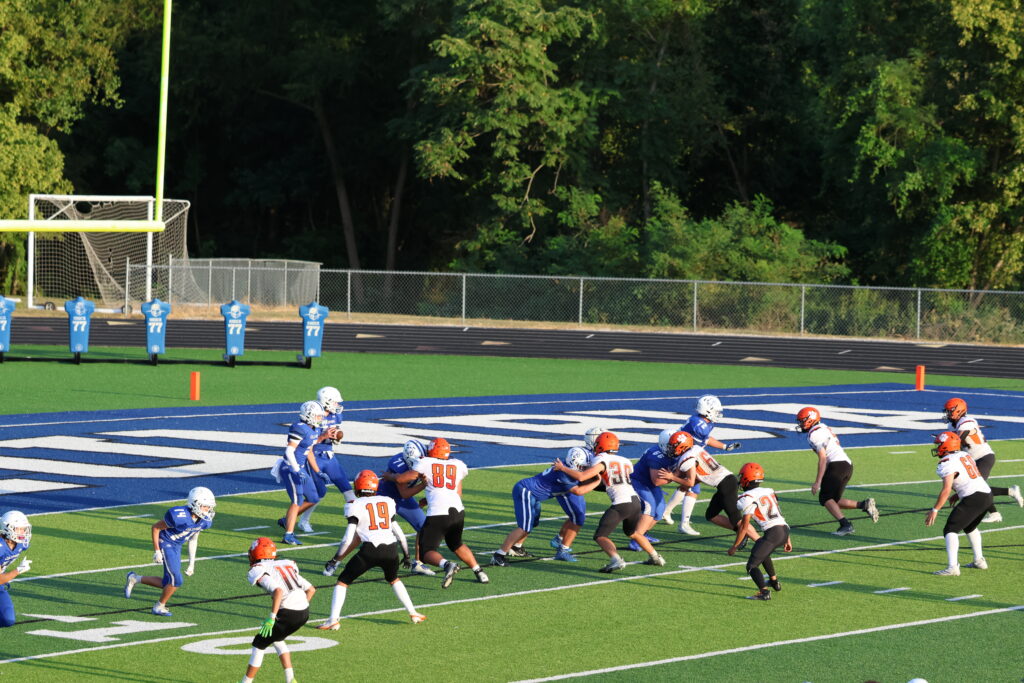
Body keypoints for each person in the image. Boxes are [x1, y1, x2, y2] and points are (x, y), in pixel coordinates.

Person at [318, 470, 426, 629]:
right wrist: (407, 555)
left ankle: (333, 620)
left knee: (342, 582)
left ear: (357, 486)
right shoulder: (387, 501)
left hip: (370, 551)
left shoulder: (354, 505)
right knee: (394, 579)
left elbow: (348, 539)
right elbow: (400, 534)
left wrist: (335, 559)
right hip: (391, 550)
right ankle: (413, 612)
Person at [555, 431, 665, 572]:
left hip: (621, 504)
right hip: (635, 502)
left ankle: (616, 560)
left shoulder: (601, 460)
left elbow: (582, 477)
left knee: (600, 536)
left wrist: (563, 468)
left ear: (600, 446)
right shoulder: (625, 460)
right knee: (633, 533)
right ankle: (656, 557)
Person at [394, 437, 490, 587]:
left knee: (426, 552)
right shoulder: (458, 464)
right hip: (458, 511)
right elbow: (457, 492)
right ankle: (479, 571)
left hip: (438, 513)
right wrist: (429, 498)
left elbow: (401, 480)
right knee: (456, 544)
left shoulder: (425, 462)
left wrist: (390, 476)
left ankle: (447, 565)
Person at [491, 449, 600, 566]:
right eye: (583, 466)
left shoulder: (566, 468)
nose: (585, 469)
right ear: (575, 463)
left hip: (533, 495)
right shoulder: (564, 474)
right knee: (524, 527)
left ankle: (517, 547)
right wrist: (597, 481)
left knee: (532, 523)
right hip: (526, 492)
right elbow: (578, 491)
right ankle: (499, 555)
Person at [125, 486, 215, 616]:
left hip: (177, 545)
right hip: (166, 542)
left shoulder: (204, 521)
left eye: (209, 506)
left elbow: (193, 539)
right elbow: (156, 528)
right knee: (176, 581)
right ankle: (159, 606)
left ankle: (134, 578)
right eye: (205, 506)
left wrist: (192, 563)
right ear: (194, 504)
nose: (208, 509)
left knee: (167, 583)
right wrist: (157, 550)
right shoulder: (180, 516)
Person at [662, 395, 741, 535]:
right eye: (715, 411)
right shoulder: (699, 425)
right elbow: (699, 443)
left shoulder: (703, 422)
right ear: (707, 410)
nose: (718, 413)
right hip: (684, 456)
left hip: (688, 455)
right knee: (692, 487)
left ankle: (667, 512)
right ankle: (684, 523)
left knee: (687, 486)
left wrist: (724, 447)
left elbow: (706, 439)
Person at [242, 537, 315, 683]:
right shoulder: (286, 564)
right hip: (304, 612)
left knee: (259, 643)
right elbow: (311, 589)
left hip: (288, 612)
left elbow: (278, 591)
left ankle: (246, 682)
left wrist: (272, 617)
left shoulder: (257, 570)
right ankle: (290, 679)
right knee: (277, 638)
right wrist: (299, 606)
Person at [796, 406, 879, 535]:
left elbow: (823, 458)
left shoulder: (814, 434)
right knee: (833, 500)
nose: (800, 424)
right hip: (847, 465)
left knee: (825, 498)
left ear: (810, 419)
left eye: (802, 421)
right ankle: (864, 505)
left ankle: (845, 525)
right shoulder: (823, 427)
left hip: (837, 465)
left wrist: (817, 482)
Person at [662, 440, 760, 547]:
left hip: (726, 485)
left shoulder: (687, 458)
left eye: (674, 445)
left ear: (682, 446)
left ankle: (760, 542)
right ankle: (741, 532)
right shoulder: (696, 449)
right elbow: (700, 474)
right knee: (711, 515)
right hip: (725, 483)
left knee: (736, 519)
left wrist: (672, 477)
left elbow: (690, 483)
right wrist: (684, 483)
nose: (672, 448)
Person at [943, 398, 1023, 523]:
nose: (947, 414)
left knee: (978, 488)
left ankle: (996, 512)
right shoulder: (952, 425)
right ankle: (1009, 494)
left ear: (958, 411)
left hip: (983, 457)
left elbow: (957, 441)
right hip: (971, 460)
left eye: (950, 411)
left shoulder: (967, 422)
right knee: (964, 485)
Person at [926, 432, 993, 576]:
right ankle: (979, 561)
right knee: (970, 526)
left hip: (974, 497)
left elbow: (946, 490)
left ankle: (953, 567)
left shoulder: (946, 462)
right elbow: (969, 477)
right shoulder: (964, 455)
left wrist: (935, 510)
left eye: (939, 445)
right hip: (986, 495)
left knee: (950, 529)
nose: (937, 448)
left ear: (946, 446)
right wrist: (958, 494)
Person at [729, 463, 792, 601]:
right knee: (761, 550)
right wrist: (787, 538)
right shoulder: (769, 490)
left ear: (746, 479)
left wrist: (735, 546)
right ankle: (774, 582)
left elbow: (744, 526)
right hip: (784, 529)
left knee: (751, 566)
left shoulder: (747, 497)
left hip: (773, 533)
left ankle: (764, 592)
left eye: (742, 476)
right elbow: (779, 515)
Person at [297, 386, 354, 533]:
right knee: (318, 493)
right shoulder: (314, 414)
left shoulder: (336, 415)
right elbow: (306, 442)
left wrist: (336, 437)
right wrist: (323, 436)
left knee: (348, 490)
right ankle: (303, 520)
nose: (338, 405)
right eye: (335, 402)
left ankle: (358, 523)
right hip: (314, 457)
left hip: (329, 457)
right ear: (327, 401)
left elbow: (335, 433)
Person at [273, 400, 332, 545]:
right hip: (290, 468)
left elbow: (308, 451)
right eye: (317, 416)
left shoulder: (313, 429)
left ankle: (287, 520)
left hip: (300, 468)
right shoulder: (299, 428)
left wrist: (318, 471)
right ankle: (288, 535)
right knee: (297, 500)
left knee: (314, 497)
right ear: (309, 415)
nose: (320, 418)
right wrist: (297, 470)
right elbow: (289, 451)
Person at [378, 439, 436, 576]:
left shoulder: (423, 460)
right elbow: (404, 493)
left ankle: (418, 563)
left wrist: (427, 498)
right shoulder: (398, 464)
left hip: (403, 499)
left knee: (424, 527)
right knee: (375, 532)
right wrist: (423, 485)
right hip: (385, 498)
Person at [631, 430, 693, 550]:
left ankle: (643, 533)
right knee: (650, 508)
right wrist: (675, 476)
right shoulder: (656, 456)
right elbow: (657, 481)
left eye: (674, 445)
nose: (672, 448)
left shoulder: (680, 451)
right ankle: (636, 540)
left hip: (650, 484)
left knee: (659, 511)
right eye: (670, 446)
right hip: (639, 482)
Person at [547, 425, 603, 559]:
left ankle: (559, 538)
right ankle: (563, 550)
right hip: (568, 485)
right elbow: (579, 477)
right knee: (578, 517)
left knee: (577, 514)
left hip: (574, 484)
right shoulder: (581, 453)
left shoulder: (594, 454)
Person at [0, 511, 32, 628]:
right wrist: (17, 570)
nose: (23, 532)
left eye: (24, 529)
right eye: (19, 529)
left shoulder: (20, 544)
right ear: (7, 528)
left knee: (7, 619)